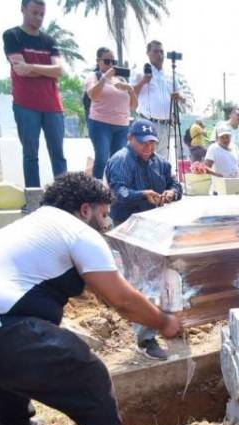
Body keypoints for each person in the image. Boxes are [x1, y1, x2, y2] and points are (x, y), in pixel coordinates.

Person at [0, 172, 182, 425]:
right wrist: (164, 321)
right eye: (104, 214)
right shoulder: (77, 231)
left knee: (12, 367)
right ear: (85, 209)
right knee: (88, 372)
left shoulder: (37, 226)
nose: (106, 223)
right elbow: (123, 301)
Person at [105, 119, 183, 360]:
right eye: (143, 144)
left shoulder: (160, 162)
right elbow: (117, 192)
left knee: (162, 276)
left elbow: (175, 184)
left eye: (151, 143)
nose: (148, 148)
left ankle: (167, 320)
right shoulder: (120, 161)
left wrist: (172, 192)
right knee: (141, 281)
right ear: (130, 139)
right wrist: (142, 194)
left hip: (157, 227)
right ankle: (145, 339)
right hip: (130, 228)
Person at [3, 0, 67, 188]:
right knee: (30, 155)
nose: (39, 18)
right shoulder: (11, 35)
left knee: (58, 155)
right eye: (34, 13)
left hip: (53, 106)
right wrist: (48, 70)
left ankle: (65, 198)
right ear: (23, 10)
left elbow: (59, 70)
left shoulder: (49, 40)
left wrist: (30, 66)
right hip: (25, 105)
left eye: (42, 14)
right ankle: (33, 199)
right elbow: (20, 70)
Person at [131, 40, 191, 161]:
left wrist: (179, 96)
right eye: (156, 51)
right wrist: (144, 81)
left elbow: (182, 96)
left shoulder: (170, 74)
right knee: (144, 159)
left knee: (161, 161)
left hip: (166, 126)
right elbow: (131, 94)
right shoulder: (140, 71)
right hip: (147, 124)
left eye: (162, 52)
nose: (160, 55)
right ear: (148, 53)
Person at [86, 47, 137, 180]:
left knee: (117, 161)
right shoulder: (94, 76)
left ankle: (116, 193)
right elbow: (93, 95)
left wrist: (131, 90)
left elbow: (133, 106)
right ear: (99, 62)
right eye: (107, 61)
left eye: (113, 62)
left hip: (122, 126)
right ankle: (96, 193)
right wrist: (105, 77)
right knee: (102, 159)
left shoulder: (122, 80)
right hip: (100, 124)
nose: (111, 65)